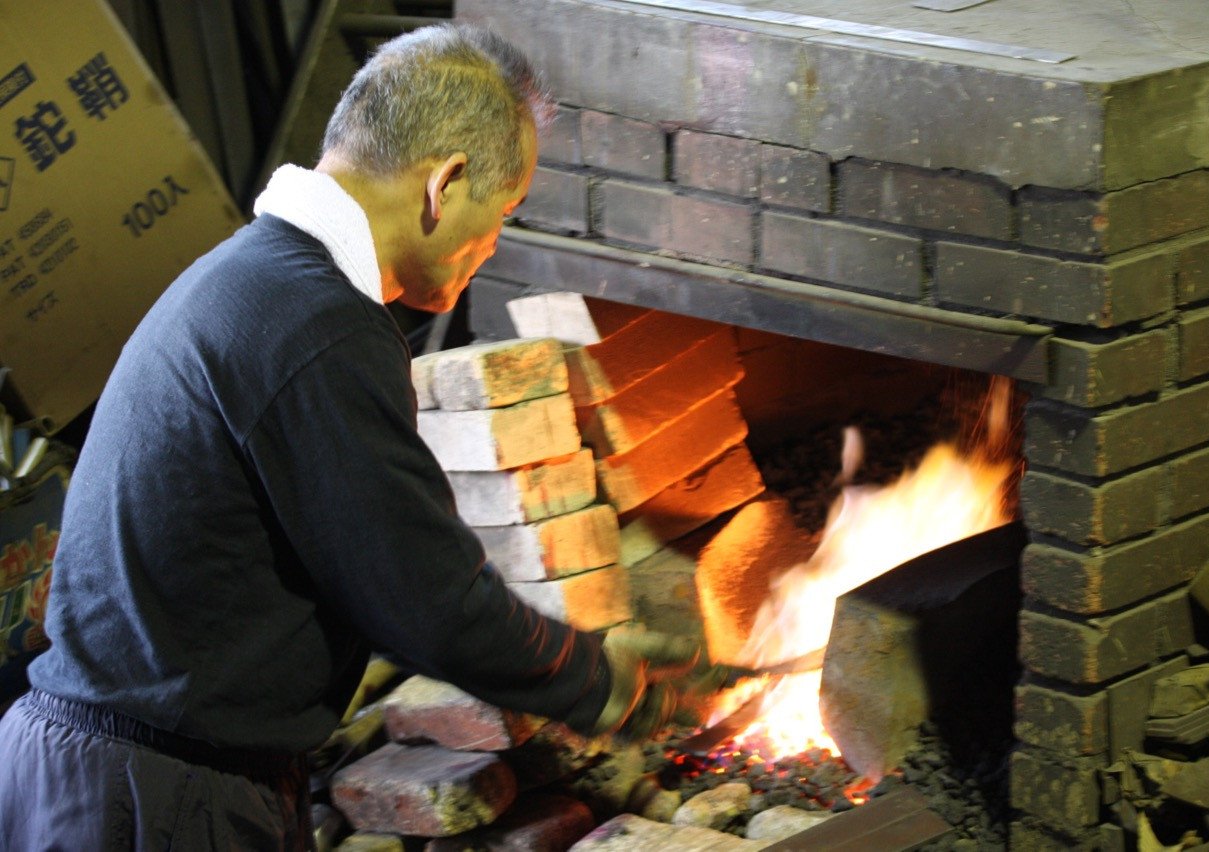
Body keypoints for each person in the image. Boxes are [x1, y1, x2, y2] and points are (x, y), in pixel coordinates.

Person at [0, 24, 696, 850]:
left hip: (110, 773)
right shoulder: (319, 325)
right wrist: (603, 682)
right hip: (156, 801)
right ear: (446, 183)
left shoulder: (258, 279)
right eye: (503, 213)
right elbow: (424, 599)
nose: (495, 244)